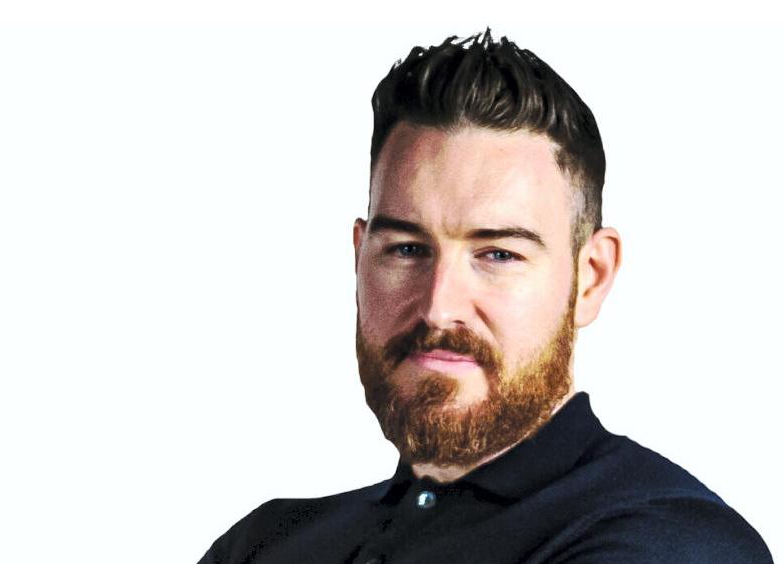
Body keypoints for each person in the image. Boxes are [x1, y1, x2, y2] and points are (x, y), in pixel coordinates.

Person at [198, 30, 772, 563]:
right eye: (406, 249)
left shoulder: (672, 541)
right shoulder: (264, 543)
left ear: (591, 277)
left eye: (498, 254)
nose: (439, 307)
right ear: (359, 258)